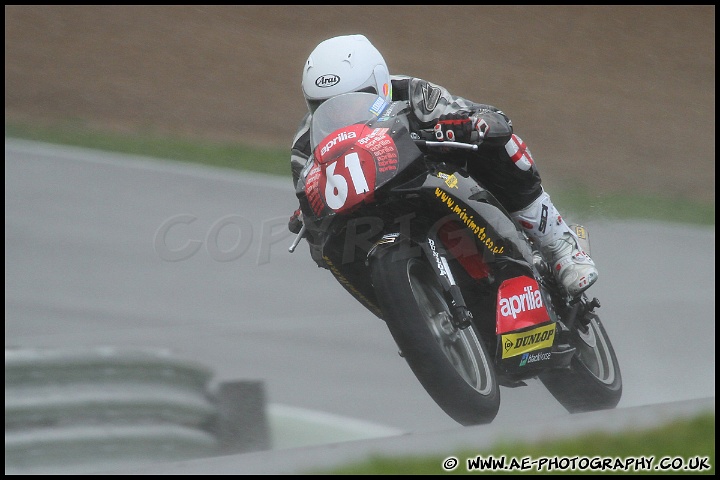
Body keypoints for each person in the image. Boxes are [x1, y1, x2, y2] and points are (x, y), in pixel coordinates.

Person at [288, 34, 597, 298]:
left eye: (355, 99)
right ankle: (416, 308)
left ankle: (560, 245)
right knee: (326, 248)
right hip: (368, 211)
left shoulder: (412, 93)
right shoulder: (304, 147)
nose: (342, 114)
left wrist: (472, 126)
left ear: (380, 84)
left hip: (429, 175)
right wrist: (307, 218)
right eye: (323, 106)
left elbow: (493, 118)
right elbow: (309, 204)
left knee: (502, 143)